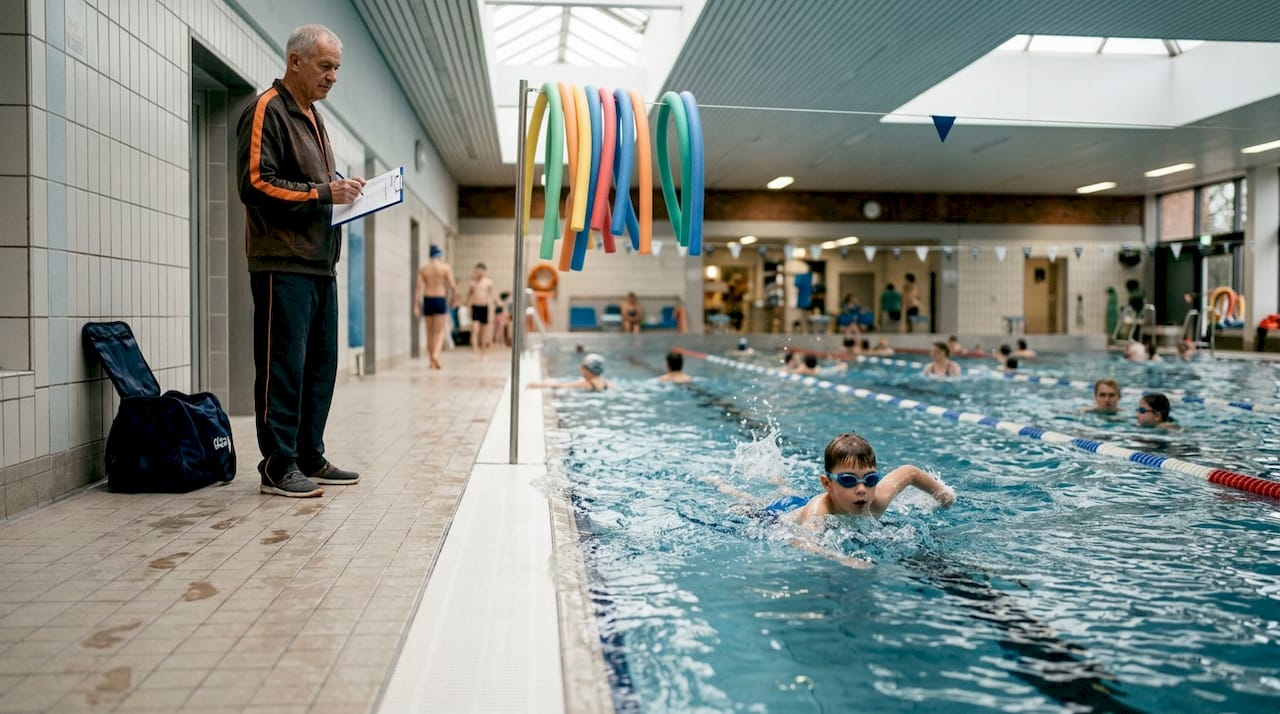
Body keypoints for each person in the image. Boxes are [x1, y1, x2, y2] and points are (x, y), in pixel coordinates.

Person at [237, 24, 364, 498]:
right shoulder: (266, 109)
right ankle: (278, 464)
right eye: (325, 66)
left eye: (337, 69)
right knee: (283, 367)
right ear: (295, 61)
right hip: (280, 263)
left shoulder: (312, 115)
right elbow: (254, 183)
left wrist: (345, 190)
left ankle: (309, 454)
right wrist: (323, 192)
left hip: (317, 263)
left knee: (319, 367)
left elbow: (316, 183)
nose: (333, 76)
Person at [761, 433, 955, 530]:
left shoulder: (876, 499)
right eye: (848, 480)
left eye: (870, 479)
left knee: (792, 493)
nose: (862, 489)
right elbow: (802, 543)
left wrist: (944, 495)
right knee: (757, 504)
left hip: (829, 499)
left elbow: (910, 472)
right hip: (777, 515)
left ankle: (782, 484)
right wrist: (844, 560)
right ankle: (772, 484)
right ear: (827, 484)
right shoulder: (819, 514)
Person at [415, 245, 457, 370]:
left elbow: (418, 288)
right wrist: (453, 298)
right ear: (440, 255)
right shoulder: (445, 267)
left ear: (430, 255)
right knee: (440, 331)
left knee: (429, 332)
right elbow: (453, 286)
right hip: (439, 298)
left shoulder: (424, 269)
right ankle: (436, 354)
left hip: (427, 298)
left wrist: (416, 305)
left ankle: (431, 361)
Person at [529, 353, 612, 392]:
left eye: (582, 367)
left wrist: (537, 385)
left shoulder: (586, 384)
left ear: (587, 369)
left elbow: (562, 386)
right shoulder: (608, 384)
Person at [463, 263, 497, 356]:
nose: (479, 273)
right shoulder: (472, 283)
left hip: (484, 307)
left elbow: (492, 294)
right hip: (475, 307)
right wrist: (467, 305)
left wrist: (496, 301)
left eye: (480, 271)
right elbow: (468, 295)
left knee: (484, 331)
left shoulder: (488, 282)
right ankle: (474, 350)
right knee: (475, 330)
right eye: (477, 271)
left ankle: (483, 350)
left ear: (484, 272)